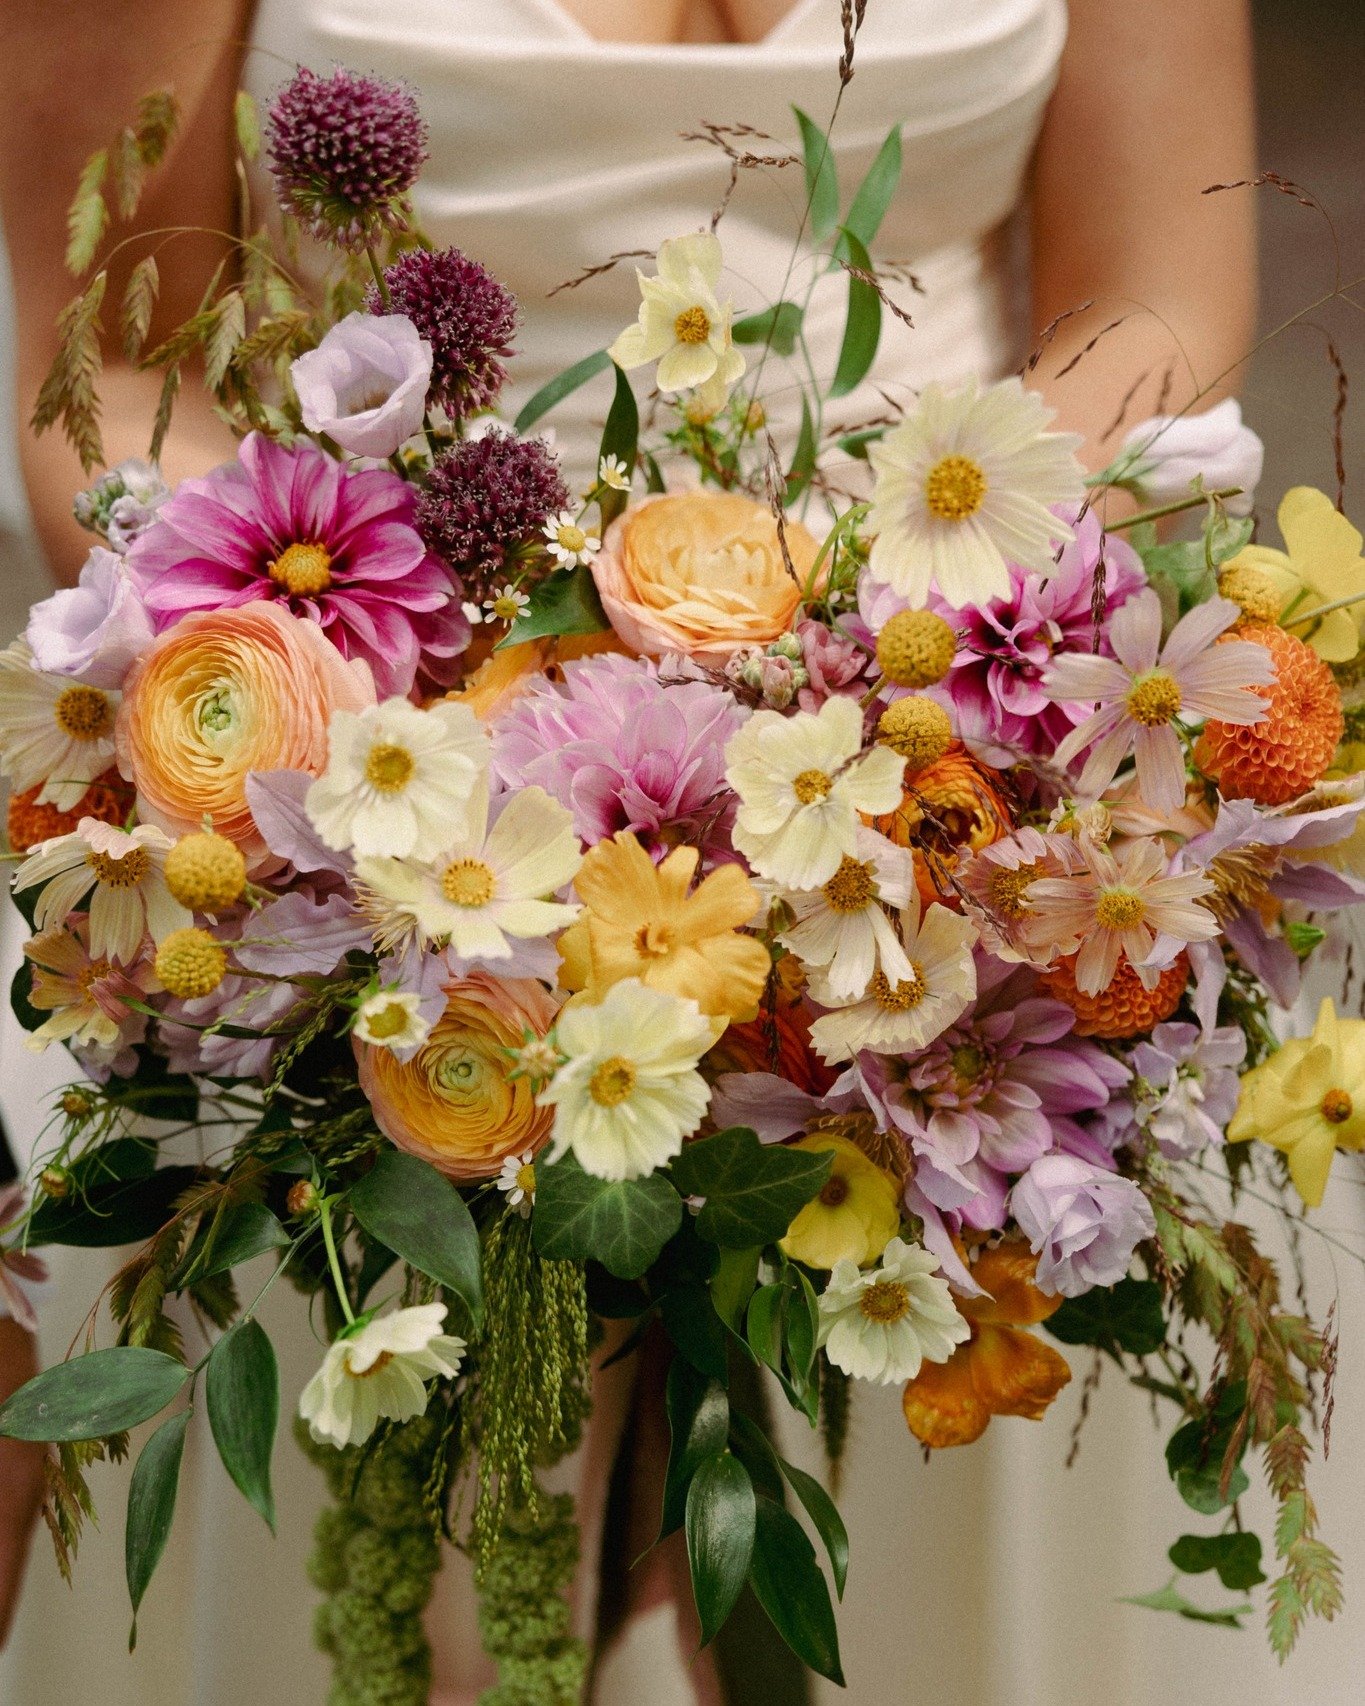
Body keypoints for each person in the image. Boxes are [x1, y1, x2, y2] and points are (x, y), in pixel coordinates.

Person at [0, 1, 1284, 1703]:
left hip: (936, 784)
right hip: (366, 809)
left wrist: (937, 679)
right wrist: (352, 770)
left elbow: (1153, 294)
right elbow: (122, 370)